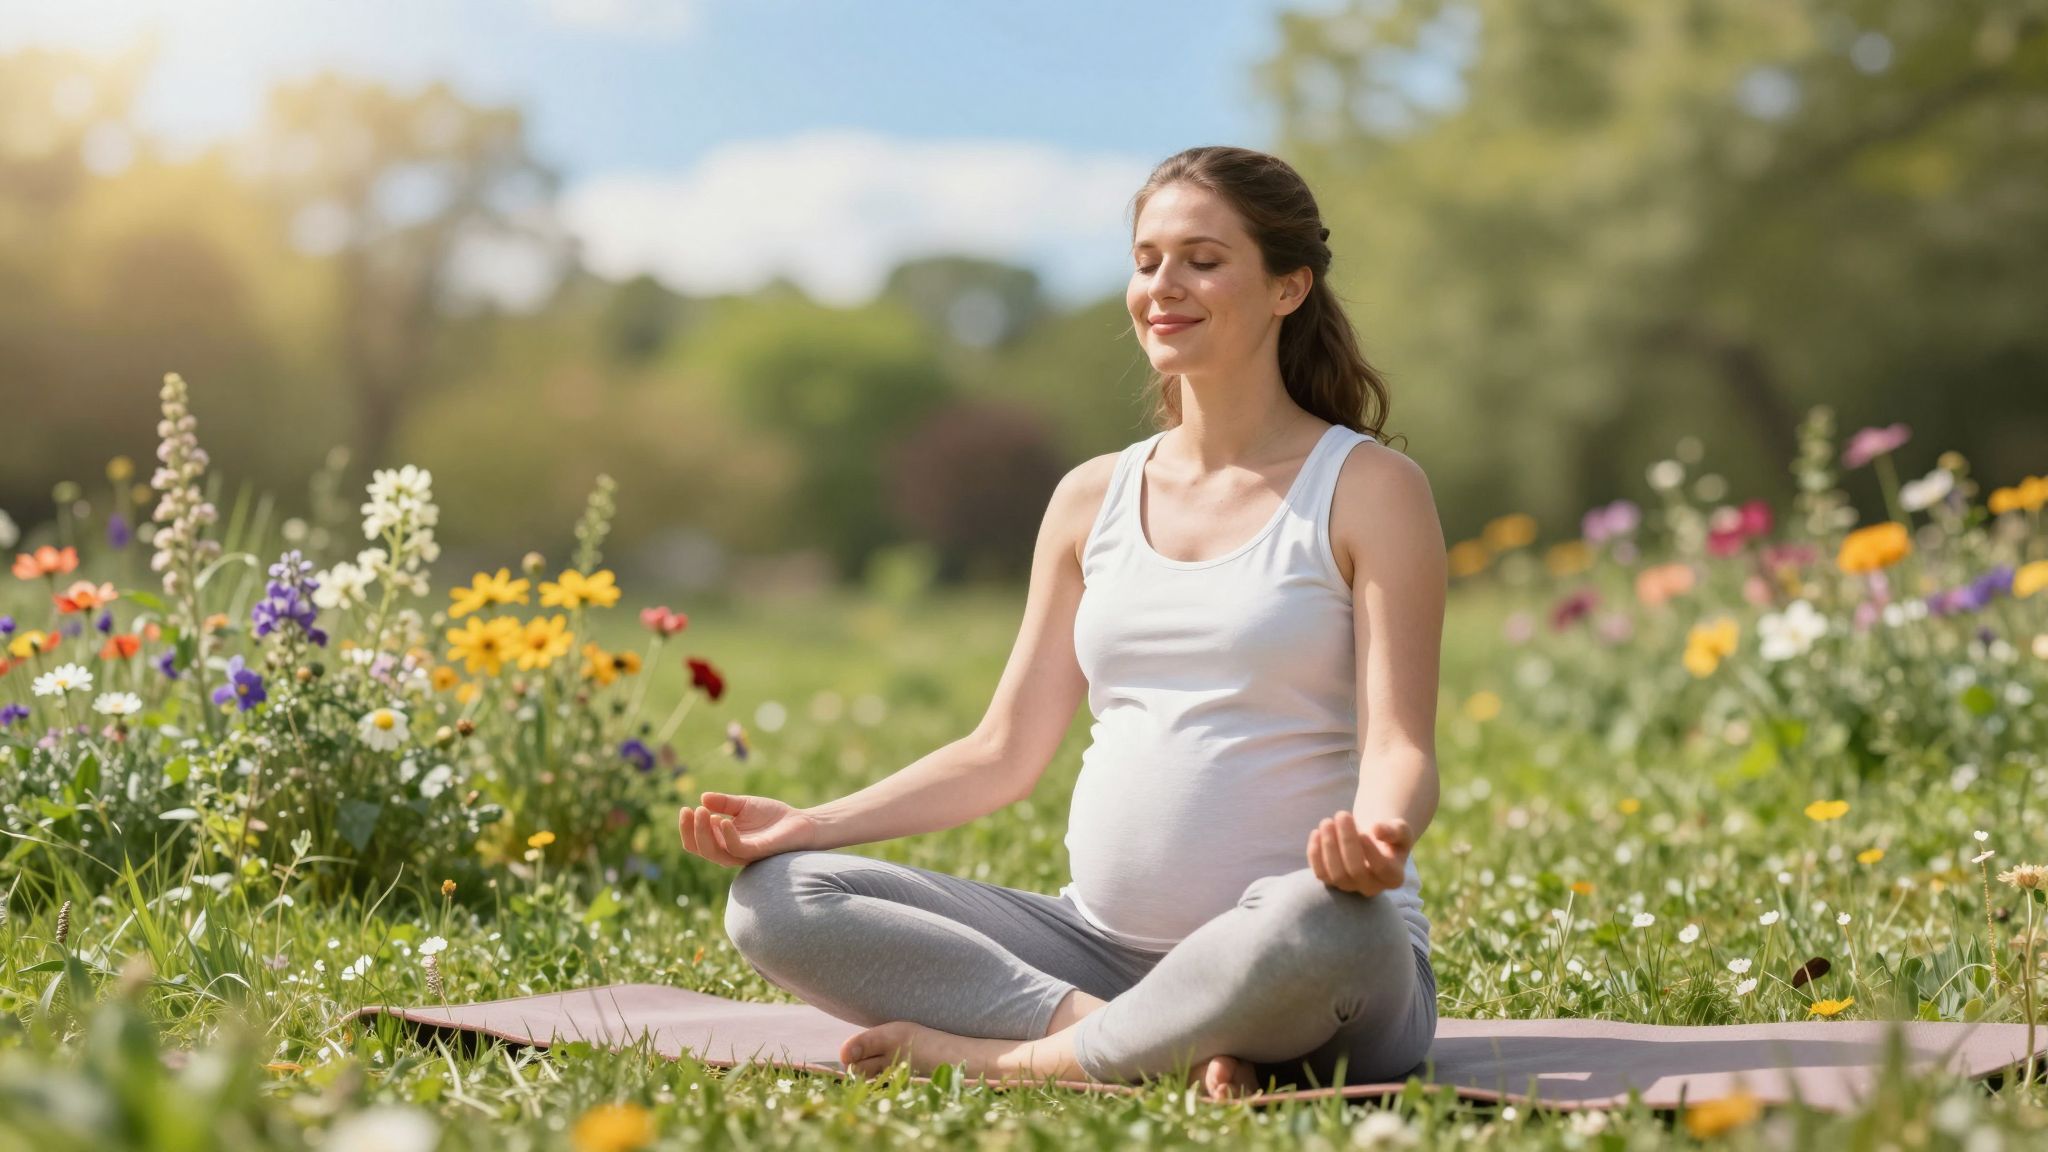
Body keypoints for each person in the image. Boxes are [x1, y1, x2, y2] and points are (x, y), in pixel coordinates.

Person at [677, 145, 1445, 1101]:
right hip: (1093, 952)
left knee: (1327, 924)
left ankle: (1013, 1061)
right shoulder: (1093, 497)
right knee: (778, 902)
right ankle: (1134, 1040)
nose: (1164, 286)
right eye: (1147, 258)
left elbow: (1401, 747)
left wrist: (1378, 839)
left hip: (1306, 947)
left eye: (1203, 260)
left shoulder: (1369, 489)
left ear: (1289, 286)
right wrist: (808, 823)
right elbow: (1000, 752)